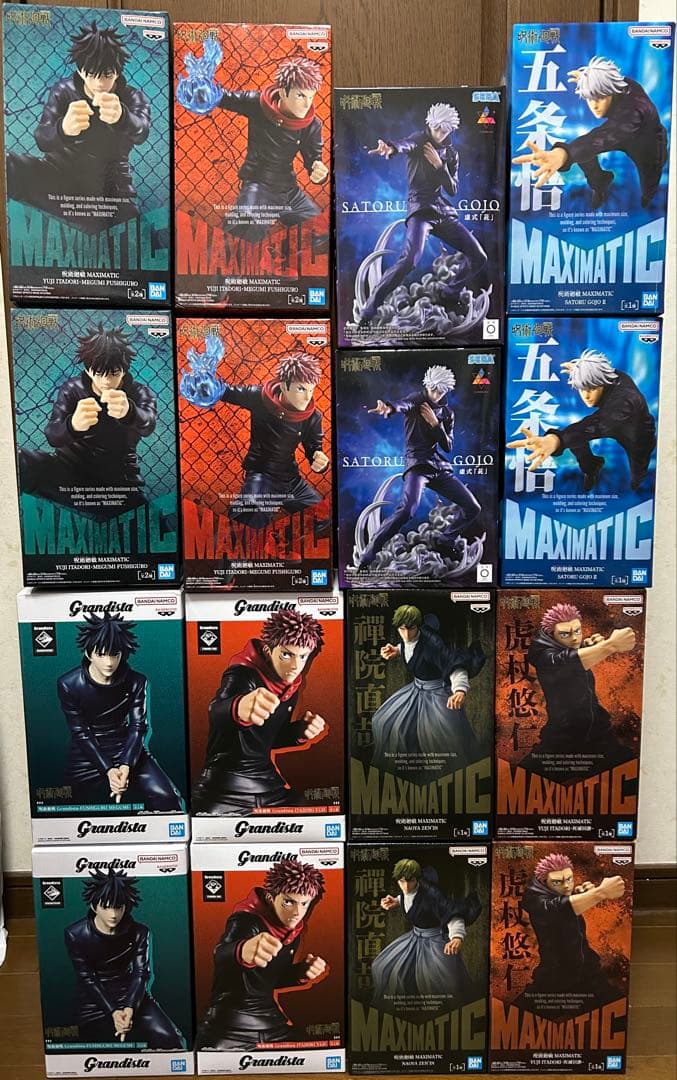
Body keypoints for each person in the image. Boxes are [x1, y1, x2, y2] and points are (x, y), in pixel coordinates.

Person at [177, 41, 327, 244]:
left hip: (289, 190)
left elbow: (314, 161)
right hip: (258, 186)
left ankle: (284, 255)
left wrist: (319, 172)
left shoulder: (312, 124)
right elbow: (227, 98)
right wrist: (204, 92)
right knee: (242, 229)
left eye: (311, 97)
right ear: (283, 92)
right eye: (301, 95)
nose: (307, 104)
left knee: (322, 232)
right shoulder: (258, 104)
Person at [6, 21, 150, 225]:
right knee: (8, 164)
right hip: (57, 176)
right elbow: (42, 139)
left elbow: (142, 132)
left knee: (137, 233)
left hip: (109, 189)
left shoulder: (132, 97)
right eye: (92, 74)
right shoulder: (64, 90)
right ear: (80, 71)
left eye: (107, 75)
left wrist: (123, 117)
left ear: (118, 72)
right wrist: (63, 129)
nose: (100, 83)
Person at [357, 102, 487, 324]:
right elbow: (404, 144)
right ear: (430, 124)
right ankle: (369, 310)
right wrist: (390, 148)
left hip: (443, 211)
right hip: (420, 210)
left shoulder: (451, 154)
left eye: (444, 130)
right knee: (409, 260)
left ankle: (448, 294)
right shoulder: (419, 140)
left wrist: (440, 166)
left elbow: (453, 189)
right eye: (436, 128)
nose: (439, 134)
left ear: (450, 130)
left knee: (479, 256)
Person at [180, 345, 329, 531]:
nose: (307, 397)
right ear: (284, 386)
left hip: (292, 480)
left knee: (324, 517)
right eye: (301, 389)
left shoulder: (313, 416)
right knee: (247, 520)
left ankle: (280, 539)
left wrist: (320, 460)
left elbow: (314, 449)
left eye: (311, 390)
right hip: (262, 476)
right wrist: (207, 386)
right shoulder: (260, 398)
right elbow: (229, 392)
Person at [192, 609, 326, 814]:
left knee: (314, 814)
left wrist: (299, 732)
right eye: (286, 655)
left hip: (268, 785)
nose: (295, 666)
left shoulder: (291, 687)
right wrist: (237, 707)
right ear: (267, 650)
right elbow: (216, 711)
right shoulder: (242, 675)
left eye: (303, 657)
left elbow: (268, 740)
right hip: (225, 785)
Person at [18, 323, 157, 520]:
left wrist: (130, 412)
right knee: (19, 459)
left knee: (155, 526)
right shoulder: (72, 389)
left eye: (114, 373)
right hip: (68, 472)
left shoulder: (139, 392)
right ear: (88, 370)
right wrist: (72, 425)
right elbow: (52, 435)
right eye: (99, 373)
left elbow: (149, 424)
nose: (106, 381)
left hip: (118, 483)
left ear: (124, 370)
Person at [356, 365, 481, 569]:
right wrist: (388, 408)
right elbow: (402, 404)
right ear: (427, 385)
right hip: (417, 465)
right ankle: (369, 554)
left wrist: (435, 424)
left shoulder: (447, 413)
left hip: (439, 467)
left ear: (446, 390)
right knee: (407, 510)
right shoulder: (417, 400)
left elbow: (448, 446)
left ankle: (445, 540)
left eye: (440, 391)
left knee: (473, 507)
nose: (435, 394)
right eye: (432, 389)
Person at [197, 859, 327, 1050]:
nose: (297, 912)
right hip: (229, 1025)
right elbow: (221, 954)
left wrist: (301, 972)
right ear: (270, 898)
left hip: (272, 1024)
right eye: (288, 902)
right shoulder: (246, 921)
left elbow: (269, 980)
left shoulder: (293, 933)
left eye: (304, 904)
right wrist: (241, 950)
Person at [58, 612, 182, 810]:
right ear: (89, 654)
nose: (109, 662)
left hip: (126, 747)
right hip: (87, 753)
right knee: (63, 804)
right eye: (101, 654)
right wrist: (108, 770)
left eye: (114, 654)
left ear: (122, 653)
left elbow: (138, 726)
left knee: (169, 799)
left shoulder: (137, 681)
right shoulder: (68, 684)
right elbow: (80, 733)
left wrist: (126, 765)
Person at [512, 56, 668, 209]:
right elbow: (596, 139)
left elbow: (602, 138)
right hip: (620, 129)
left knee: (649, 185)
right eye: (590, 97)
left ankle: (648, 198)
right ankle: (600, 181)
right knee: (584, 151)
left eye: (600, 97)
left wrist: (563, 155)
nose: (594, 105)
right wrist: (589, 79)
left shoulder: (633, 112)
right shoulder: (617, 84)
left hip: (648, 145)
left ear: (612, 92)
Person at [507, 350, 656, 493]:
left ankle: (638, 486)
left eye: (592, 388)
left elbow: (593, 426)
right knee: (575, 437)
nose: (586, 396)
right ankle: (592, 466)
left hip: (639, 436)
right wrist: (581, 371)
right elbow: (600, 373)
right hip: (613, 418)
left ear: (602, 383)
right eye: (582, 388)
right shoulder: (608, 376)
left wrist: (556, 441)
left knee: (637, 480)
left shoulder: (623, 402)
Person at [64, 868, 183, 1047]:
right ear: (94, 907)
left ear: (125, 906)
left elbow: (141, 973)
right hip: (93, 999)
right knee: (85, 1042)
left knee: (171, 1039)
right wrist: (113, 1011)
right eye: (105, 907)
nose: (113, 914)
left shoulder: (140, 932)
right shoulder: (75, 934)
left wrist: (129, 1007)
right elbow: (87, 978)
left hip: (131, 993)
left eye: (118, 907)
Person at [520, 602, 636, 779]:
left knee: (630, 776)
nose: (575, 639)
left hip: (599, 736)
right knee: (518, 782)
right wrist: (610, 645)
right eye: (565, 634)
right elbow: (568, 662)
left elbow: (575, 658)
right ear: (552, 636)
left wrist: (589, 647)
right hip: (562, 742)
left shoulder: (568, 647)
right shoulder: (543, 655)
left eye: (577, 631)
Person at [371, 605, 484, 774]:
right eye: (402, 629)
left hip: (436, 695)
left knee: (441, 741)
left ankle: (453, 781)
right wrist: (397, 649)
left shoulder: (433, 644)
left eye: (411, 629)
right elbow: (410, 647)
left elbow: (453, 664)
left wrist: (460, 690)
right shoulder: (410, 636)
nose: (406, 634)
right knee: (382, 721)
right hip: (416, 691)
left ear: (417, 626)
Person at [516, 853, 626, 1015]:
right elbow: (557, 909)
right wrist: (600, 893)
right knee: (510, 1019)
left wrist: (580, 894)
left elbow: (566, 906)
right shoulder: (534, 898)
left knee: (618, 1011)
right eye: (557, 882)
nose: (567, 886)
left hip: (587, 974)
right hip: (554, 978)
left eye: (569, 879)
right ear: (544, 883)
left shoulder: (561, 893)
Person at [372, 859, 480, 1006]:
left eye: (410, 881)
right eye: (402, 882)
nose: (406, 886)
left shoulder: (432, 894)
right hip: (415, 939)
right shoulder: (407, 890)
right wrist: (396, 901)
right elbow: (408, 898)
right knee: (382, 966)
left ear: (417, 879)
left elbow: (451, 912)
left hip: (435, 942)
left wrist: (456, 937)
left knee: (443, 985)